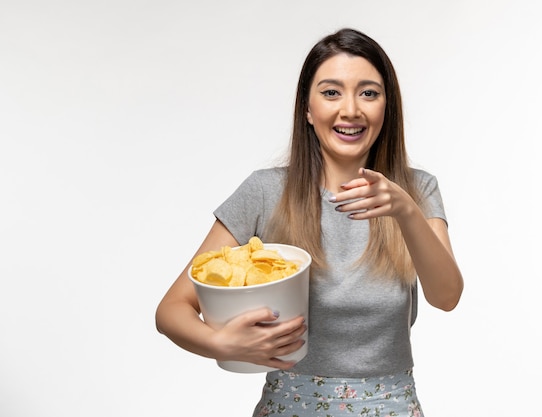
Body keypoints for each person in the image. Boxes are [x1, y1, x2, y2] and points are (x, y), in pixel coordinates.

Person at [155, 28, 463, 417]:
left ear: (388, 106)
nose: (350, 110)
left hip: (393, 406)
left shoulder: (417, 190)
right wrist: (219, 344)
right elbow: (171, 309)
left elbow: (447, 296)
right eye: (331, 92)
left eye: (368, 92)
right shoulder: (265, 192)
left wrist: (404, 210)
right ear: (307, 108)